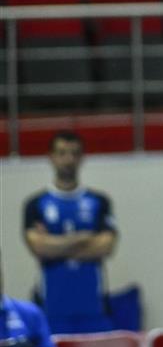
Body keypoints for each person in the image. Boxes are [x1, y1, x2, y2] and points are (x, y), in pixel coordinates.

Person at [22, 131, 118, 335]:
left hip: (93, 308)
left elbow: (106, 246)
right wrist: (84, 238)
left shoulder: (99, 201)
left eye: (74, 153)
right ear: (51, 157)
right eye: (62, 153)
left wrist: (54, 244)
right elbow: (39, 248)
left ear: (82, 158)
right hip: (51, 308)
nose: (68, 160)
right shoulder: (36, 204)